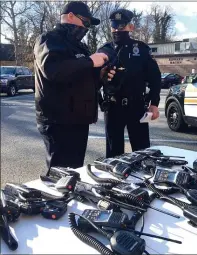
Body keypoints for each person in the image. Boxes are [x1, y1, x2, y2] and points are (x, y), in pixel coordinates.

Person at [34, 1, 115, 174]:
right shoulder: (49, 39)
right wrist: (90, 61)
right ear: (70, 16)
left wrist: (100, 76)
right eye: (85, 22)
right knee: (59, 174)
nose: (86, 28)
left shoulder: (81, 47)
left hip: (78, 119)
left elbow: (84, 79)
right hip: (58, 120)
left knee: (74, 171)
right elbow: (53, 70)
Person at [97, 9, 161, 158]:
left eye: (121, 27)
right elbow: (95, 81)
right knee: (113, 154)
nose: (117, 30)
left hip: (136, 107)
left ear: (130, 27)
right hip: (112, 108)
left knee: (142, 153)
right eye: (114, 26)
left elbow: (155, 78)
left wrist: (154, 103)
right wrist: (99, 101)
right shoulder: (104, 50)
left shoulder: (141, 49)